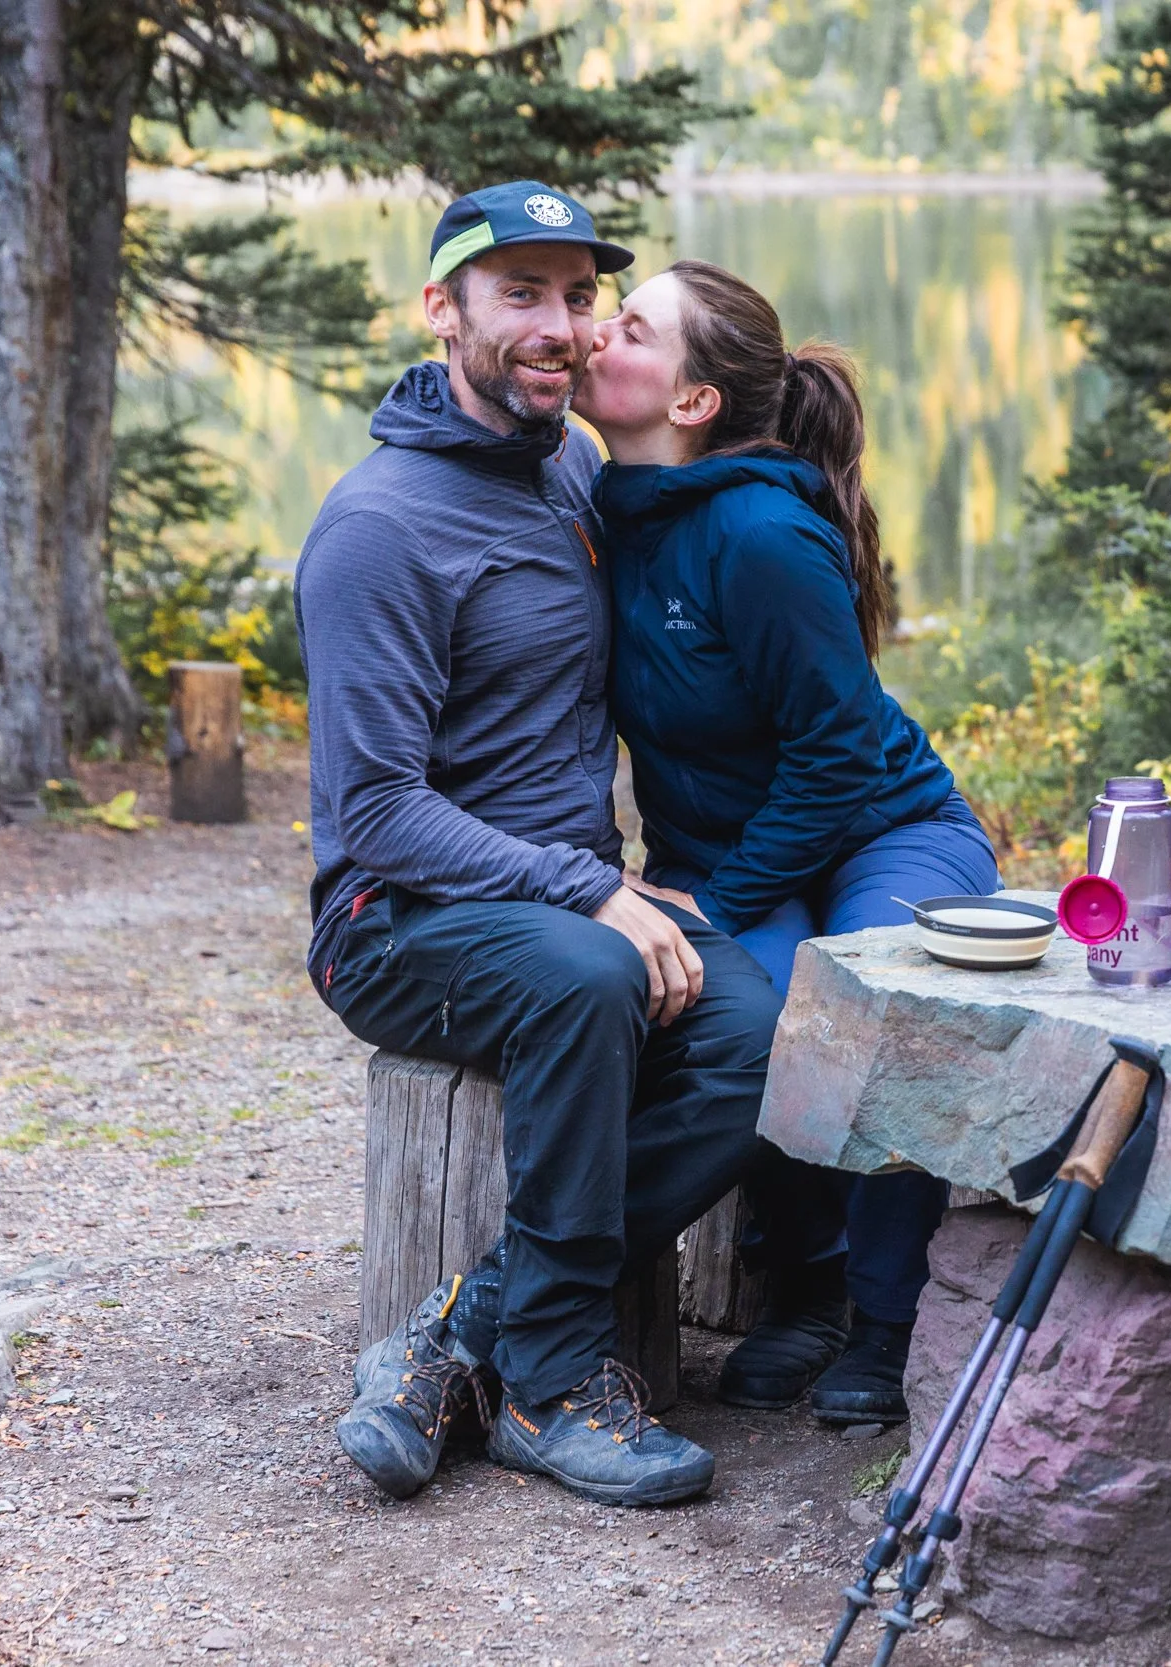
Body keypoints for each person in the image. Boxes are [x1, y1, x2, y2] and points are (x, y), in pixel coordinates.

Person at [297, 185, 782, 1508]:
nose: (559, 325)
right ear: (441, 311)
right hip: (395, 922)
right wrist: (590, 889)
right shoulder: (377, 530)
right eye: (521, 292)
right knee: (592, 976)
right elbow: (378, 809)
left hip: (568, 907)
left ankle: (464, 1326)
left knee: (761, 1027)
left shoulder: (571, 465)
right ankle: (555, 1380)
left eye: (578, 296)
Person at [576, 259, 1001, 1426]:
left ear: (693, 399)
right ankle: (802, 1284)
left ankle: (886, 1313)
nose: (593, 335)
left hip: (885, 826)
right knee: (745, 1007)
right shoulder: (601, 501)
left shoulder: (760, 532)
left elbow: (837, 754)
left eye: (629, 326)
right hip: (731, 848)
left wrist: (725, 892)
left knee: (862, 993)